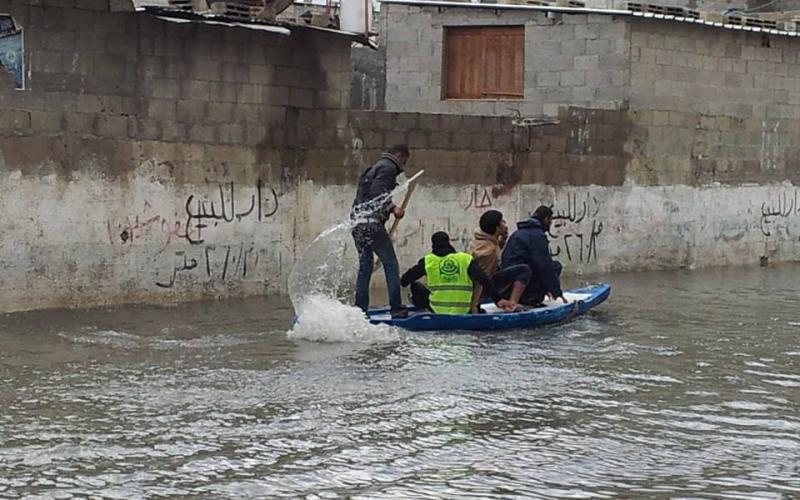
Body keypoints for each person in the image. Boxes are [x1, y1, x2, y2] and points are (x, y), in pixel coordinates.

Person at [351, 144, 410, 318]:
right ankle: (396, 308)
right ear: (399, 155)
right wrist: (393, 208)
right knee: (390, 264)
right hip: (372, 224)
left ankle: (360, 311)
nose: (404, 166)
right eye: (404, 161)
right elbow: (378, 193)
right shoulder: (388, 167)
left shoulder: (374, 168)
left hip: (357, 223)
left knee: (365, 267)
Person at [401, 231, 514, 314]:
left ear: (433, 245)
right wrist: (498, 300)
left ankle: (422, 310)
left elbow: (405, 281)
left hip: (437, 310)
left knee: (415, 285)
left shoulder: (428, 260)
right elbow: (484, 279)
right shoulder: (465, 259)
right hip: (463, 309)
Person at [467, 210, 531, 313]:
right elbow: (482, 279)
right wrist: (474, 307)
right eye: (502, 222)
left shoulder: (482, 238)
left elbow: (496, 246)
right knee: (524, 270)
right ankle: (512, 304)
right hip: (484, 286)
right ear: (497, 227)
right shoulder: (488, 252)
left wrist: (503, 238)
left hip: (487, 280)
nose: (505, 224)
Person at [501, 205, 566, 305]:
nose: (550, 224)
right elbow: (544, 265)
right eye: (550, 221)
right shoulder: (537, 235)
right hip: (519, 280)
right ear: (546, 219)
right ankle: (531, 298)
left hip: (507, 282)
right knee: (555, 266)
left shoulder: (518, 233)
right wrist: (556, 291)